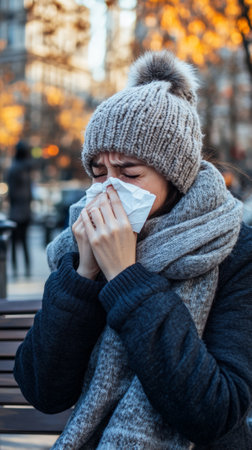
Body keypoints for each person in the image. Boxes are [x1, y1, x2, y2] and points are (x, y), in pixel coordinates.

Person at [14, 51, 252, 449]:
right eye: (98, 173)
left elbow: (216, 411)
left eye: (129, 173)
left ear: (175, 175)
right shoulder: (78, 244)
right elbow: (43, 390)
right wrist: (83, 277)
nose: (109, 188)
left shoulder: (235, 251)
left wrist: (126, 277)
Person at [7, 140, 33, 277]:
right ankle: (22, 269)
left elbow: (13, 193)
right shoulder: (24, 169)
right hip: (22, 211)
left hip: (18, 211)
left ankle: (20, 269)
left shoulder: (17, 168)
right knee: (22, 242)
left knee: (19, 242)